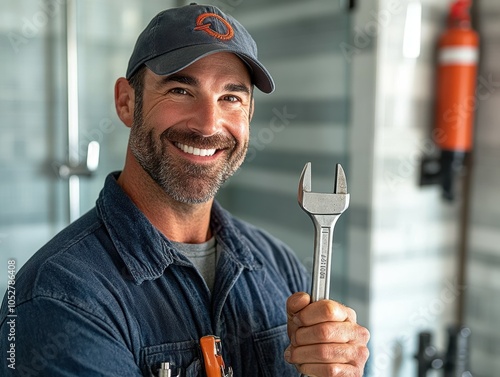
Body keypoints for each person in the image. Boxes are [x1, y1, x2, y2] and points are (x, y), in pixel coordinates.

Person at [0, 4, 369, 376]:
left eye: (231, 97)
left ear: (250, 114)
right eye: (180, 90)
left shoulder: (278, 264)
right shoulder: (59, 298)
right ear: (127, 102)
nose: (209, 124)